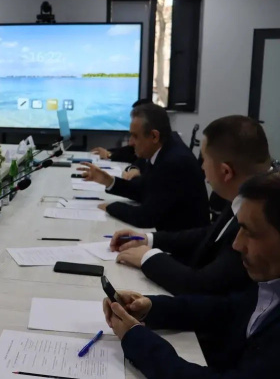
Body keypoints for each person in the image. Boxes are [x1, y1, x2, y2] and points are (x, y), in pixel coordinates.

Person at [103, 171, 280, 378]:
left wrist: (137, 339)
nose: (237, 244)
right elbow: (227, 310)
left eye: (251, 233)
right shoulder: (270, 283)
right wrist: (151, 308)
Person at [108, 116, 271, 295]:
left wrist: (147, 257)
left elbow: (202, 286)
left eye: (204, 159)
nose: (202, 167)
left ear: (226, 172)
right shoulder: (249, 192)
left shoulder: (260, 217)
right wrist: (148, 239)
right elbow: (210, 234)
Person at [79, 103, 209, 231]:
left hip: (183, 241)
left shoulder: (173, 162)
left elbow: (145, 217)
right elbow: (144, 190)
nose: (131, 142)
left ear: (154, 136)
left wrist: (110, 207)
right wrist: (108, 181)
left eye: (135, 136)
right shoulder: (165, 147)